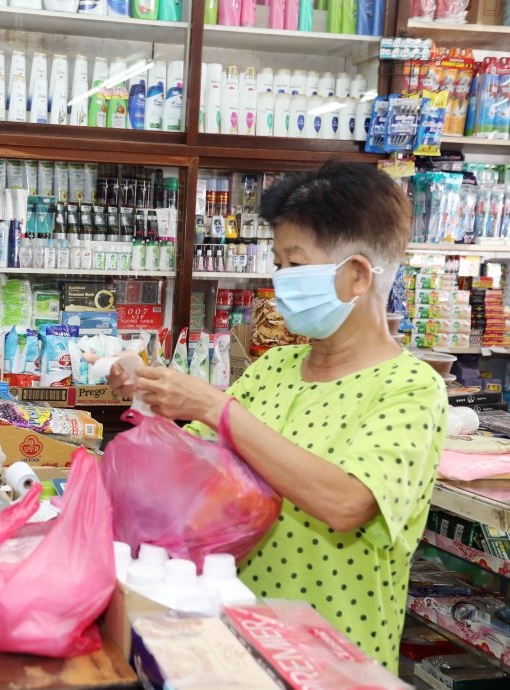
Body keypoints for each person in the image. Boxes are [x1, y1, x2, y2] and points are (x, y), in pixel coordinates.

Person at [105, 162, 445, 671]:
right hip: (228, 639)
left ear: (355, 275)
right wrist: (149, 392)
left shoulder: (412, 390)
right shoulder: (276, 368)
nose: (280, 280)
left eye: (294, 264)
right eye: (278, 262)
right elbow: (195, 463)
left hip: (330, 661)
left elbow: (346, 501)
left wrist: (214, 406)